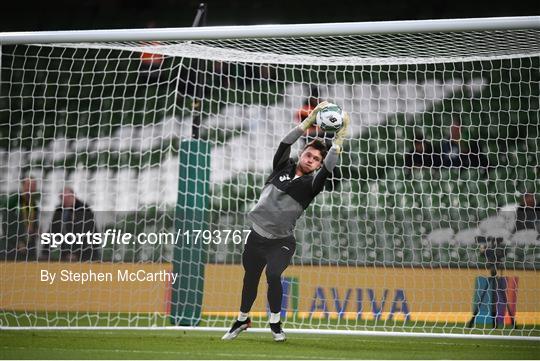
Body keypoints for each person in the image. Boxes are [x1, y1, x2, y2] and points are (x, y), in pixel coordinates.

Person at [222, 101, 349, 342]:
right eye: (308, 154)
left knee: (272, 275)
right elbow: (284, 143)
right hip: (256, 235)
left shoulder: (311, 185)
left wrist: (339, 137)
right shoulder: (281, 167)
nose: (311, 159)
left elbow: (329, 167)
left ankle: (275, 324)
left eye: (316, 159)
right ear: (302, 154)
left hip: (281, 241)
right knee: (250, 278)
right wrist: (308, 122)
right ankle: (242, 319)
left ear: (319, 165)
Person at [46, 187, 100, 262]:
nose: (65, 200)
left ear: (73, 196)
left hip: (85, 253)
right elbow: (53, 229)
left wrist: (75, 253)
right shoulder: (59, 210)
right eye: (62, 198)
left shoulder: (84, 209)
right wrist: (45, 250)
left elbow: (85, 233)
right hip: (66, 252)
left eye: (67, 197)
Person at [1, 177, 40, 261]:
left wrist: (36, 230)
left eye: (33, 186)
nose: (31, 188)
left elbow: (34, 222)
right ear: (23, 186)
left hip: (29, 246)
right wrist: (18, 242)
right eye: (28, 185)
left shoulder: (34, 203)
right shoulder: (13, 201)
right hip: (12, 247)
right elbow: (6, 225)